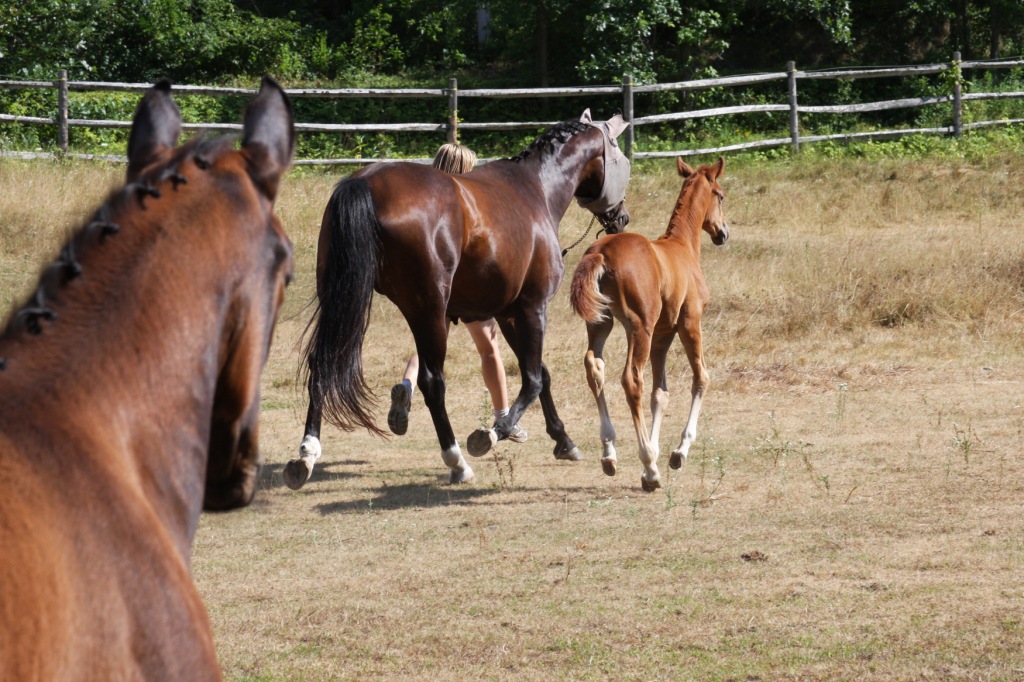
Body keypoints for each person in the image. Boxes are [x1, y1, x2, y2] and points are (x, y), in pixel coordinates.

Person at [387, 143, 527, 444]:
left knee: (429, 346)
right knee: (489, 348)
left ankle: (407, 386)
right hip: (467, 291)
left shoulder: (427, 203)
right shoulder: (467, 204)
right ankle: (504, 417)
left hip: (434, 289)